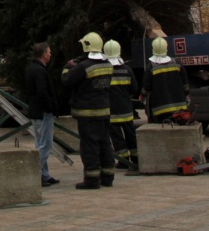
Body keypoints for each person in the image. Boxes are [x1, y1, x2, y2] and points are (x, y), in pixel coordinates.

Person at [61, 32, 115, 189]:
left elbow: (67, 80)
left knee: (89, 146)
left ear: (86, 47)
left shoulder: (84, 66)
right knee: (105, 144)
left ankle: (92, 180)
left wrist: (68, 67)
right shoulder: (108, 65)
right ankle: (108, 177)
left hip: (87, 113)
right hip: (104, 111)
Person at [24, 42, 60, 187]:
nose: (50, 54)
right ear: (44, 54)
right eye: (49, 52)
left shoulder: (31, 68)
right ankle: (36, 172)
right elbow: (42, 92)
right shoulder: (40, 71)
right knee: (46, 144)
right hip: (43, 112)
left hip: (35, 111)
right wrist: (50, 106)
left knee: (40, 143)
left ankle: (44, 175)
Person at [104, 40, 139, 170]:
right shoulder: (127, 69)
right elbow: (134, 89)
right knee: (131, 136)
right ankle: (136, 159)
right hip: (127, 110)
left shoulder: (104, 71)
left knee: (117, 138)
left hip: (111, 111)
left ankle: (123, 162)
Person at [142, 37, 189, 123]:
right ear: (166, 48)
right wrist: (187, 94)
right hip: (179, 109)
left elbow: (147, 86)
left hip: (160, 110)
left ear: (153, 49)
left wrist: (142, 95)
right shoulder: (177, 63)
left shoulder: (151, 67)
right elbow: (185, 83)